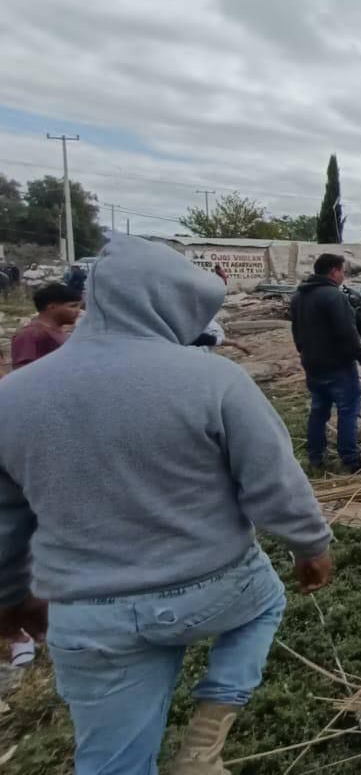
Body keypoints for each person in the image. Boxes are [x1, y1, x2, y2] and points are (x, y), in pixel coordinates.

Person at [0, 235, 333, 775]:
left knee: (112, 761)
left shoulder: (13, 397)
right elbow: (272, 480)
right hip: (210, 586)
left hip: (85, 610)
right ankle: (204, 745)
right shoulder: (213, 379)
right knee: (267, 598)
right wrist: (310, 545)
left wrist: (12, 596)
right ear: (171, 302)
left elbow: (7, 517)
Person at [290, 254, 361, 473]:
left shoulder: (299, 296)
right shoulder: (333, 296)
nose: (344, 276)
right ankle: (350, 459)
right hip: (338, 366)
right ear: (333, 272)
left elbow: (296, 332)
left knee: (318, 412)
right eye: (342, 271)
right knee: (348, 412)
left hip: (312, 364)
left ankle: (316, 457)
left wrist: (305, 353)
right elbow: (348, 332)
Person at [11, 282, 80, 370]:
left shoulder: (60, 330)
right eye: (73, 306)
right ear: (52, 308)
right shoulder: (29, 335)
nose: (78, 311)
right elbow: (22, 373)